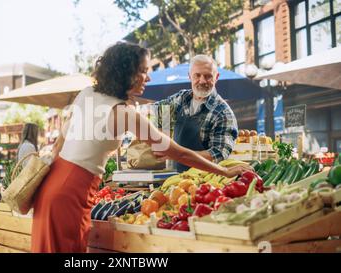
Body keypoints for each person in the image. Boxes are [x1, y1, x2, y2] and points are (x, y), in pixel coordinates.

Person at [31, 43, 251, 253]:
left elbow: (59, 143)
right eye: (144, 71)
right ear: (127, 73)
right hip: (71, 192)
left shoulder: (86, 94)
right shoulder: (124, 114)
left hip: (53, 185)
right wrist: (224, 171)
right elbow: (179, 153)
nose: (149, 77)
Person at [153, 55, 239, 173]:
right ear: (189, 76)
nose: (202, 81)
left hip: (203, 181)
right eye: (197, 75)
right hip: (173, 176)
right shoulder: (182, 99)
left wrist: (176, 154)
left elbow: (218, 154)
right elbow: (159, 108)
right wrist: (164, 135)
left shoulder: (223, 113)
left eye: (208, 76)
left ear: (217, 77)